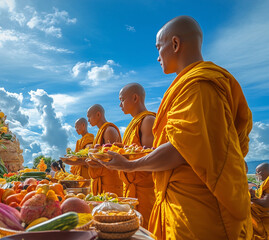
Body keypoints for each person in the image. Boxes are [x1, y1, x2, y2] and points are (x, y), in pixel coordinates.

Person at [99, 16, 252, 239]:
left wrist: (130, 165)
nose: (157, 56)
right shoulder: (191, 84)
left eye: (159, 47)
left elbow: (180, 148)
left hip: (199, 207)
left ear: (175, 44)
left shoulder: (199, 86)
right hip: (182, 198)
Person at [117, 83, 156, 228]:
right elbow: (133, 150)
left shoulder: (147, 121)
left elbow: (151, 158)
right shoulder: (133, 123)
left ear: (134, 98)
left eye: (122, 100)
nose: (120, 105)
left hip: (145, 191)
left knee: (145, 229)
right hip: (130, 189)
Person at [85, 104, 123, 196]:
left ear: (98, 114)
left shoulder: (109, 130)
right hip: (101, 180)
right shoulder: (100, 131)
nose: (88, 120)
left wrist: (95, 161)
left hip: (110, 181)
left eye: (89, 116)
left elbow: (111, 158)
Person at [250, 162, 269, 240]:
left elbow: (266, 203)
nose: (256, 174)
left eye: (258, 171)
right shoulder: (264, 184)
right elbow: (261, 195)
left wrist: (251, 198)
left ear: (266, 171)